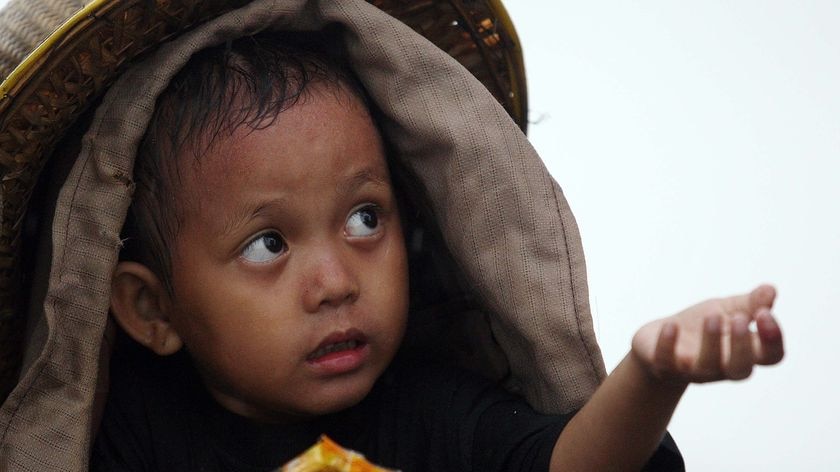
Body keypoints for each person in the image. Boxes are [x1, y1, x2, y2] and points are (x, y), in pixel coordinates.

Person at [89, 30, 784, 471]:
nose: (335, 282)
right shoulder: (131, 433)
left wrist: (653, 372)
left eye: (365, 220)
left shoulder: (425, 414)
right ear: (153, 309)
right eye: (269, 243)